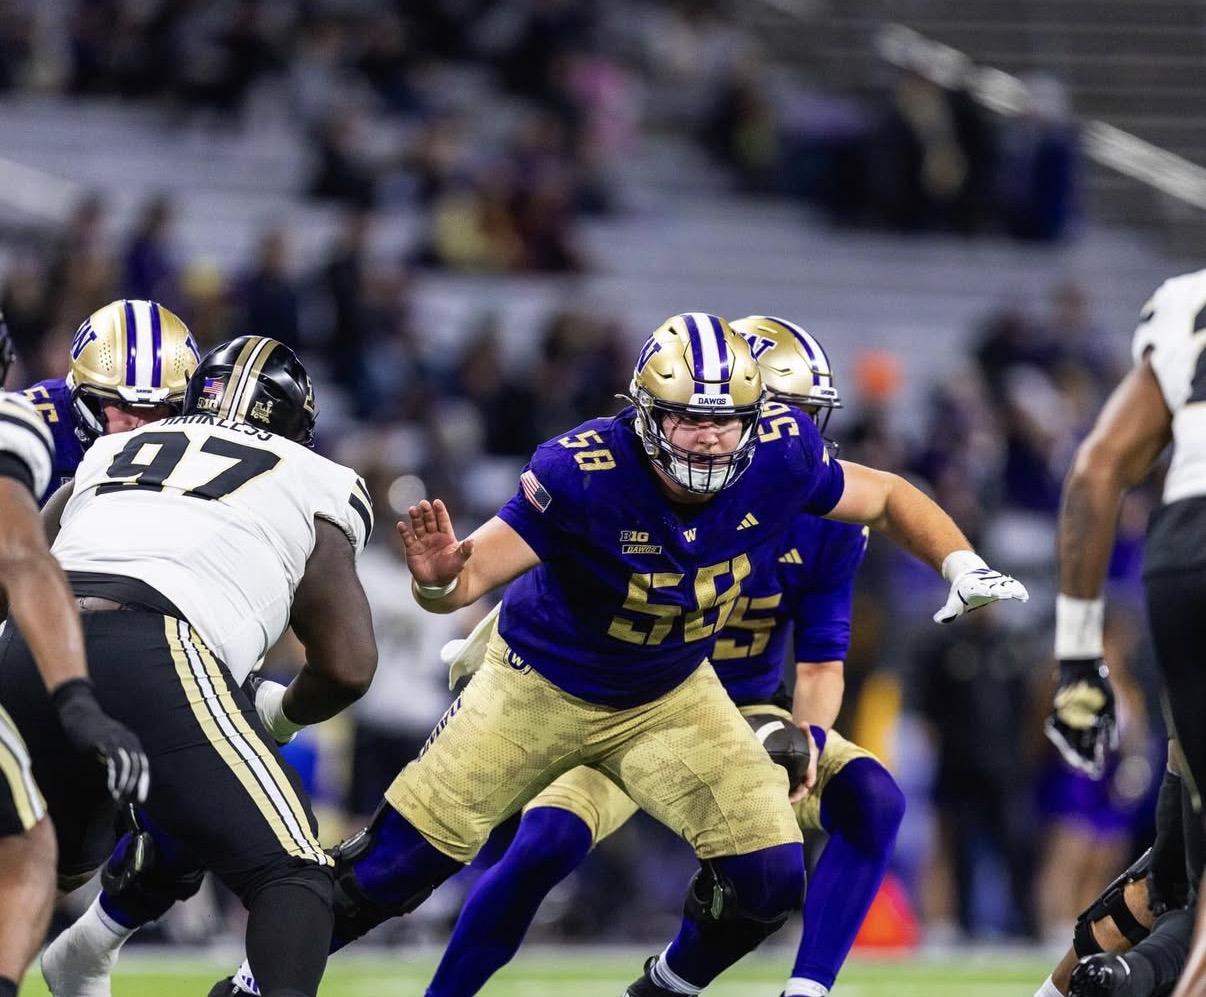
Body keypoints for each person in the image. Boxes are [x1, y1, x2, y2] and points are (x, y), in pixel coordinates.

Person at [218, 311, 1026, 997]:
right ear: (643, 412)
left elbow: (886, 495)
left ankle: (664, 988)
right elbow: (471, 576)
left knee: (772, 876)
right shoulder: (582, 468)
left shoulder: (782, 455)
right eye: (688, 417)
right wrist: (438, 581)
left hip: (672, 690)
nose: (709, 438)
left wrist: (960, 561)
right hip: (544, 683)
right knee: (397, 866)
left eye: (726, 419)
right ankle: (254, 986)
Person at [398, 314, 905, 997]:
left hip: (743, 711)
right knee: (546, 843)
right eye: (793, 418)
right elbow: (555, 566)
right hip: (629, 695)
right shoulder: (651, 490)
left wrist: (809, 737)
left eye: (811, 420)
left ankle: (766, 987)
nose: (804, 443)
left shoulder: (820, 516)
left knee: (871, 796)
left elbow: (820, 659)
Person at [1, 334, 379, 997]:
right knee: (292, 871)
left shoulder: (111, 449)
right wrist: (280, 712)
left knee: (35, 866)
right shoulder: (314, 474)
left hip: (29, 643)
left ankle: (85, 945)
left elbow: (34, 552)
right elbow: (348, 665)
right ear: (298, 426)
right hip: (157, 640)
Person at [1039, 268, 1206, 997]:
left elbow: (1096, 468)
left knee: (1177, 855)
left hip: (1183, 551)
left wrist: (1078, 655)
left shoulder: (1190, 297)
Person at [0, 315, 149, 997]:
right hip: (34, 648)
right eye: (120, 404)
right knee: (31, 853)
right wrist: (75, 697)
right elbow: (25, 565)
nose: (135, 425)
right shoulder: (26, 424)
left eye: (157, 409)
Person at [20, 298, 200, 504]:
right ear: (87, 401)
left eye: (157, 407)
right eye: (123, 405)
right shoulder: (34, 424)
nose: (139, 423)